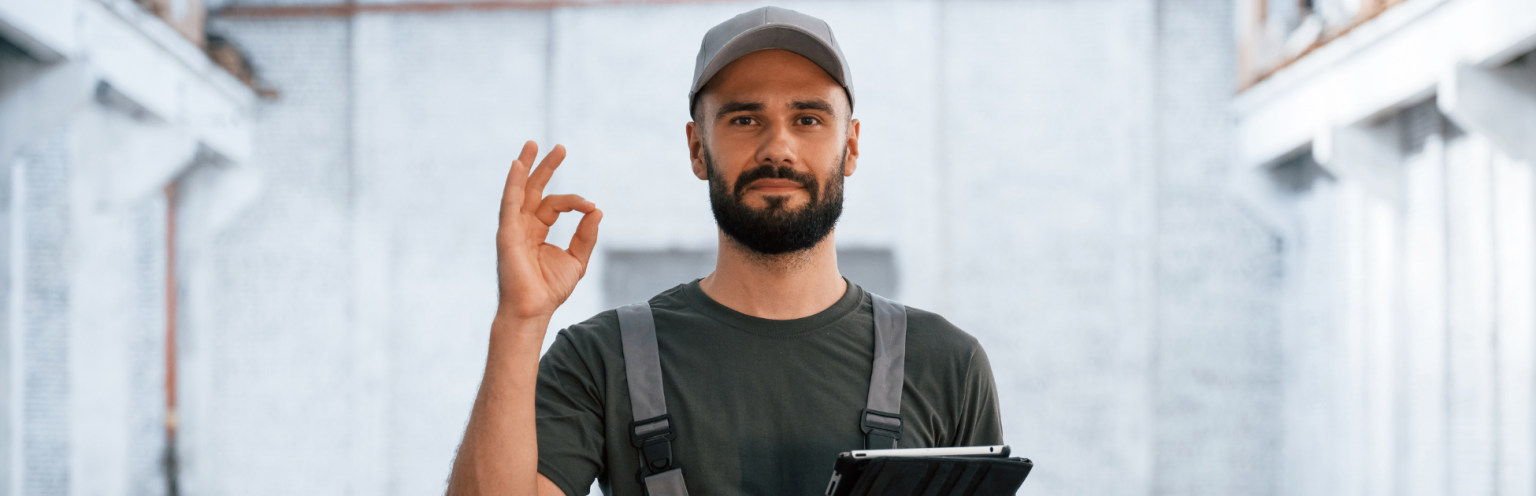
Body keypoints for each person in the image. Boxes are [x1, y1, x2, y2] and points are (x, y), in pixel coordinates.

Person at [447, 7, 1003, 495]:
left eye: (807, 119)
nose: (778, 147)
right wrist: (519, 320)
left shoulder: (947, 366)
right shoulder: (602, 360)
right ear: (697, 149)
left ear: (851, 146)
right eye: (745, 119)